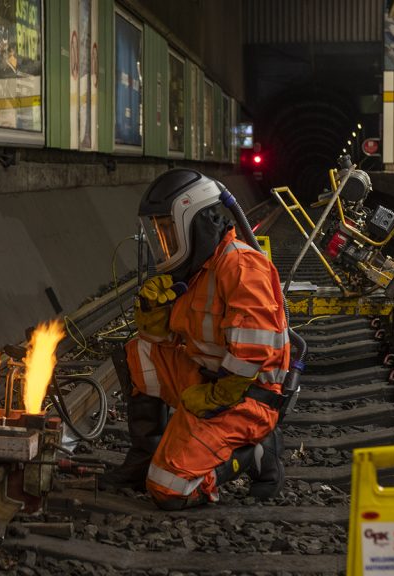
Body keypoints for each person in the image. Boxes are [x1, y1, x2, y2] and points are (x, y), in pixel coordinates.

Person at [103, 168, 290, 510]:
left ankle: (255, 454)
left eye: (168, 231)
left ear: (194, 222)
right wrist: (152, 311)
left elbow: (252, 354)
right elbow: (160, 339)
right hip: (206, 380)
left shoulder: (242, 268)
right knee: (140, 353)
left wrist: (219, 396)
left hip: (244, 397)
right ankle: (144, 455)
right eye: (159, 232)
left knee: (169, 489)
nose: (164, 241)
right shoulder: (195, 268)